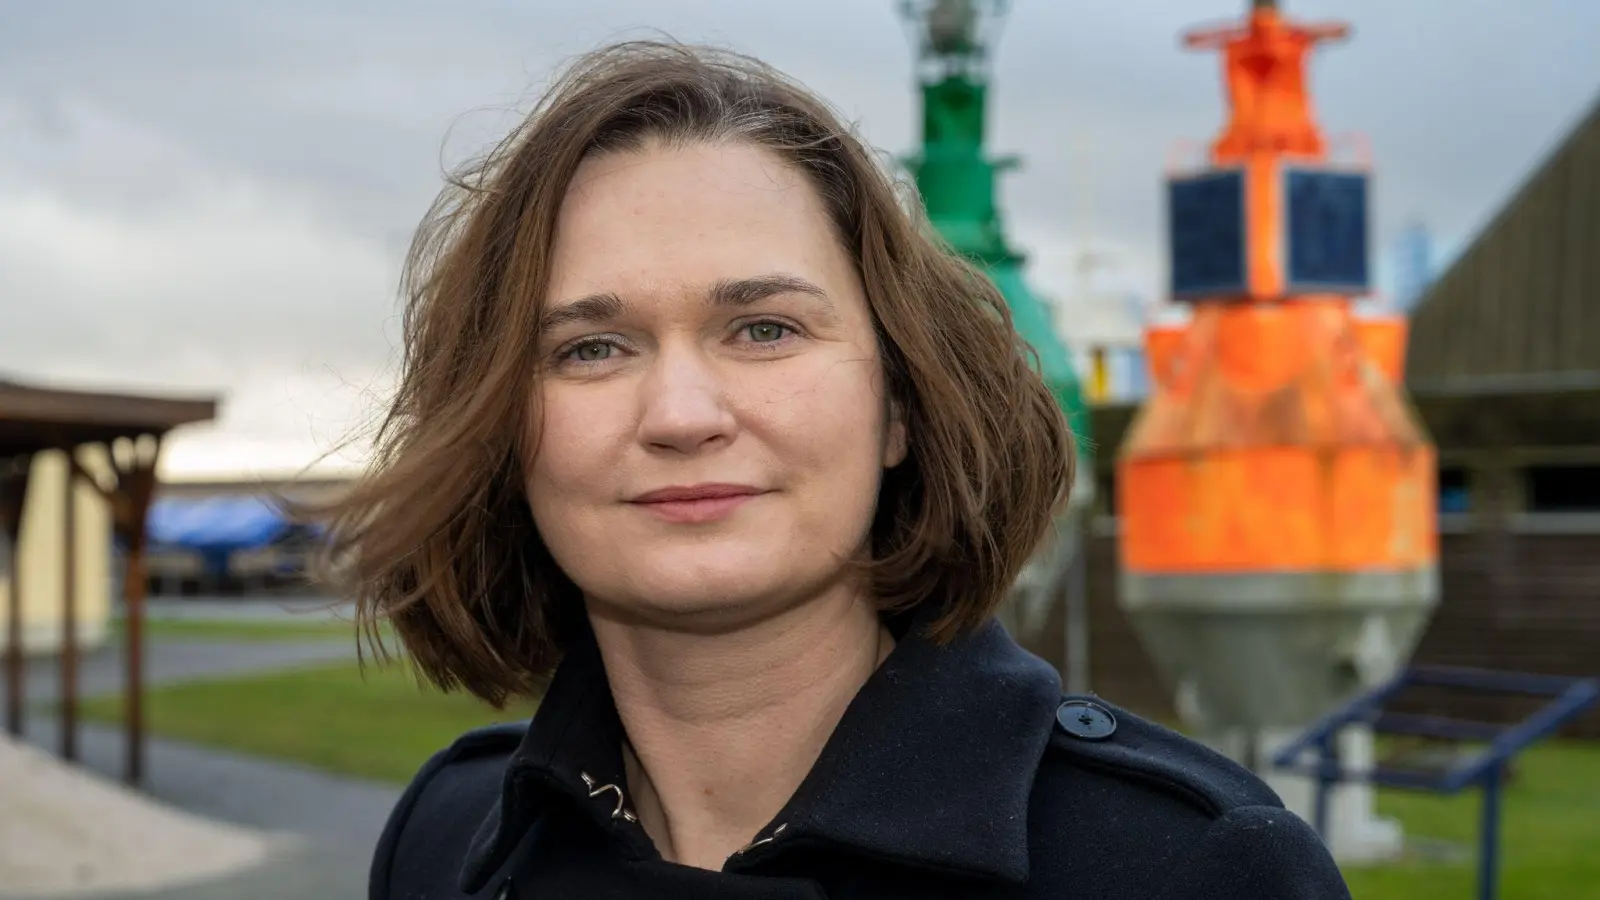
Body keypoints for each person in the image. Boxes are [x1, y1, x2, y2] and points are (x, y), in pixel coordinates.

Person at [328, 40, 1351, 900]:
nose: (682, 415)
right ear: (503, 427)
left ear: (900, 406)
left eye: (763, 329)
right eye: (591, 347)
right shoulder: (448, 842)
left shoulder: (1185, 868)